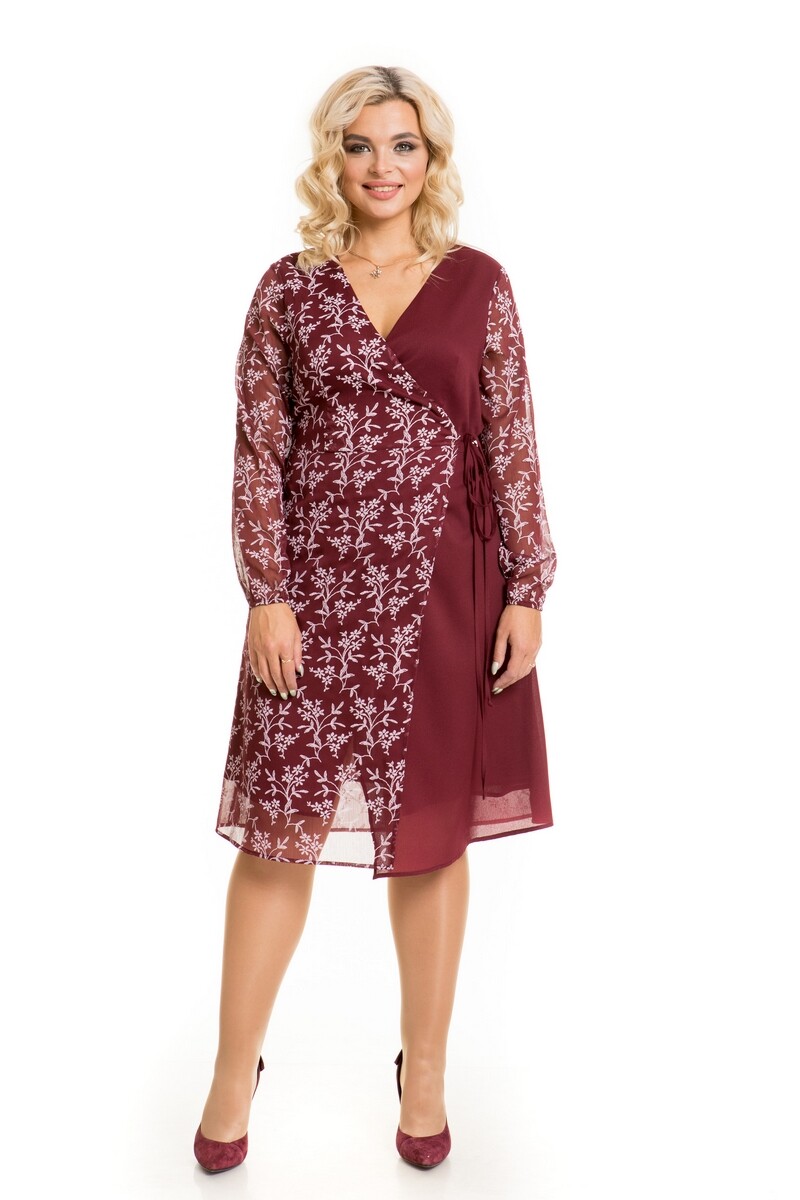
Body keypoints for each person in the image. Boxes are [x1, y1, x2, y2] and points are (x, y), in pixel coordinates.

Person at [194, 64, 557, 1174]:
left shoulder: (480, 284)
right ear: (332, 159)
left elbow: (510, 439)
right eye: (359, 145)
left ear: (430, 159)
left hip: (443, 594)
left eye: (403, 145)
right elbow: (259, 452)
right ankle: (231, 1071)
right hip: (311, 600)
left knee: (431, 840)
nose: (381, 167)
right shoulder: (289, 289)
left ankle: (426, 1071)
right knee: (278, 835)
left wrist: (529, 589)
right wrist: (266, 593)